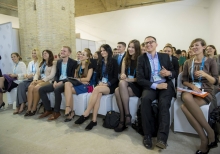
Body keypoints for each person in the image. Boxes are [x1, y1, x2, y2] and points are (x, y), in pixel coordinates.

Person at [136, 36, 176, 150]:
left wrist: (168, 73)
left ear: (156, 44)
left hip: (165, 85)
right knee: (145, 100)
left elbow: (174, 72)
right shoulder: (141, 58)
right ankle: (147, 135)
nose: (148, 44)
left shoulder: (164, 56)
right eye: (146, 43)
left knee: (164, 103)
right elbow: (140, 79)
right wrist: (156, 85)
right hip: (151, 86)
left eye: (151, 42)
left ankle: (162, 138)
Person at [181, 38, 218, 154]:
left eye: (197, 45)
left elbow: (215, 81)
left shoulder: (211, 61)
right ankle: (209, 132)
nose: (194, 47)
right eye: (192, 46)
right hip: (191, 90)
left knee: (184, 107)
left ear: (203, 47)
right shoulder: (188, 62)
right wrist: (192, 86)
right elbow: (184, 80)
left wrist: (205, 75)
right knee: (186, 97)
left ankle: (204, 139)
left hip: (206, 91)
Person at [74, 44, 118, 130]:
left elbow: (116, 77)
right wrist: (99, 82)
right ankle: (94, 120)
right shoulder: (99, 62)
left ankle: (86, 113)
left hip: (110, 86)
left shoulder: (114, 61)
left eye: (104, 50)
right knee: (98, 94)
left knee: (97, 89)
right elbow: (97, 76)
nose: (102, 52)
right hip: (101, 84)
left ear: (108, 51)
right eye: (101, 51)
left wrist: (107, 83)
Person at [38, 46, 77, 120]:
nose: (62, 52)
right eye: (61, 50)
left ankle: (56, 112)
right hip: (58, 81)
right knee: (41, 89)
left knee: (57, 90)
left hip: (67, 82)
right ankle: (48, 109)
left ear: (69, 53)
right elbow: (57, 74)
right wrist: (55, 81)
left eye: (64, 51)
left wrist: (62, 82)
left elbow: (71, 77)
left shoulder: (73, 62)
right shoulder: (58, 62)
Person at [114, 39, 141, 132]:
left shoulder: (141, 59)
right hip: (126, 85)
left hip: (137, 86)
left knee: (120, 87)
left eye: (133, 47)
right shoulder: (126, 58)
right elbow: (122, 75)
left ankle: (123, 118)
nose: (130, 49)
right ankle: (125, 116)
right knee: (118, 90)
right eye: (129, 46)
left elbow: (141, 79)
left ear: (137, 49)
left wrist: (128, 79)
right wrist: (123, 75)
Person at [64, 49, 94, 122]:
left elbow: (88, 79)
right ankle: (68, 108)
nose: (81, 55)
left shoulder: (90, 65)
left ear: (87, 57)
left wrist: (79, 79)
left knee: (68, 90)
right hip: (79, 84)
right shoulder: (77, 65)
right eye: (81, 54)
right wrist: (80, 80)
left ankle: (70, 111)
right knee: (67, 83)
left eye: (83, 55)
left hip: (87, 86)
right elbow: (75, 78)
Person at [24, 50, 56, 116]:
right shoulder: (42, 63)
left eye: (46, 53)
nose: (44, 54)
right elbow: (37, 73)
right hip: (40, 80)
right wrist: (35, 80)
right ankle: (29, 108)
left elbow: (52, 75)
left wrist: (41, 81)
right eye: (43, 53)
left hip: (48, 81)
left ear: (50, 54)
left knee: (36, 88)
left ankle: (34, 108)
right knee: (30, 87)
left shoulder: (53, 63)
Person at [13, 49, 41, 114]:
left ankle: (19, 106)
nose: (33, 55)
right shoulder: (30, 63)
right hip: (28, 79)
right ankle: (22, 104)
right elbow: (27, 72)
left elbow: (39, 73)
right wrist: (26, 75)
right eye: (32, 53)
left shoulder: (40, 62)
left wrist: (33, 75)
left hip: (36, 79)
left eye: (35, 53)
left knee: (27, 86)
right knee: (20, 85)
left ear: (38, 54)